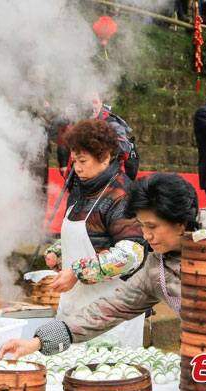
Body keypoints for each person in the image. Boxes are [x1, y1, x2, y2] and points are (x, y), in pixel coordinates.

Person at [0, 172, 206, 391]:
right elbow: (110, 307)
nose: (147, 235)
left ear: (182, 222)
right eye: (142, 226)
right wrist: (45, 339)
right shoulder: (157, 266)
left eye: (152, 226)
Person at [43, 119, 146, 349]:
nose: (77, 168)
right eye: (74, 161)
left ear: (105, 157)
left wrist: (78, 273)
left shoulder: (121, 195)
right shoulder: (82, 189)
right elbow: (88, 233)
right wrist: (58, 252)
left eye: (82, 161)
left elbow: (131, 254)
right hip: (74, 308)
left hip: (113, 312)